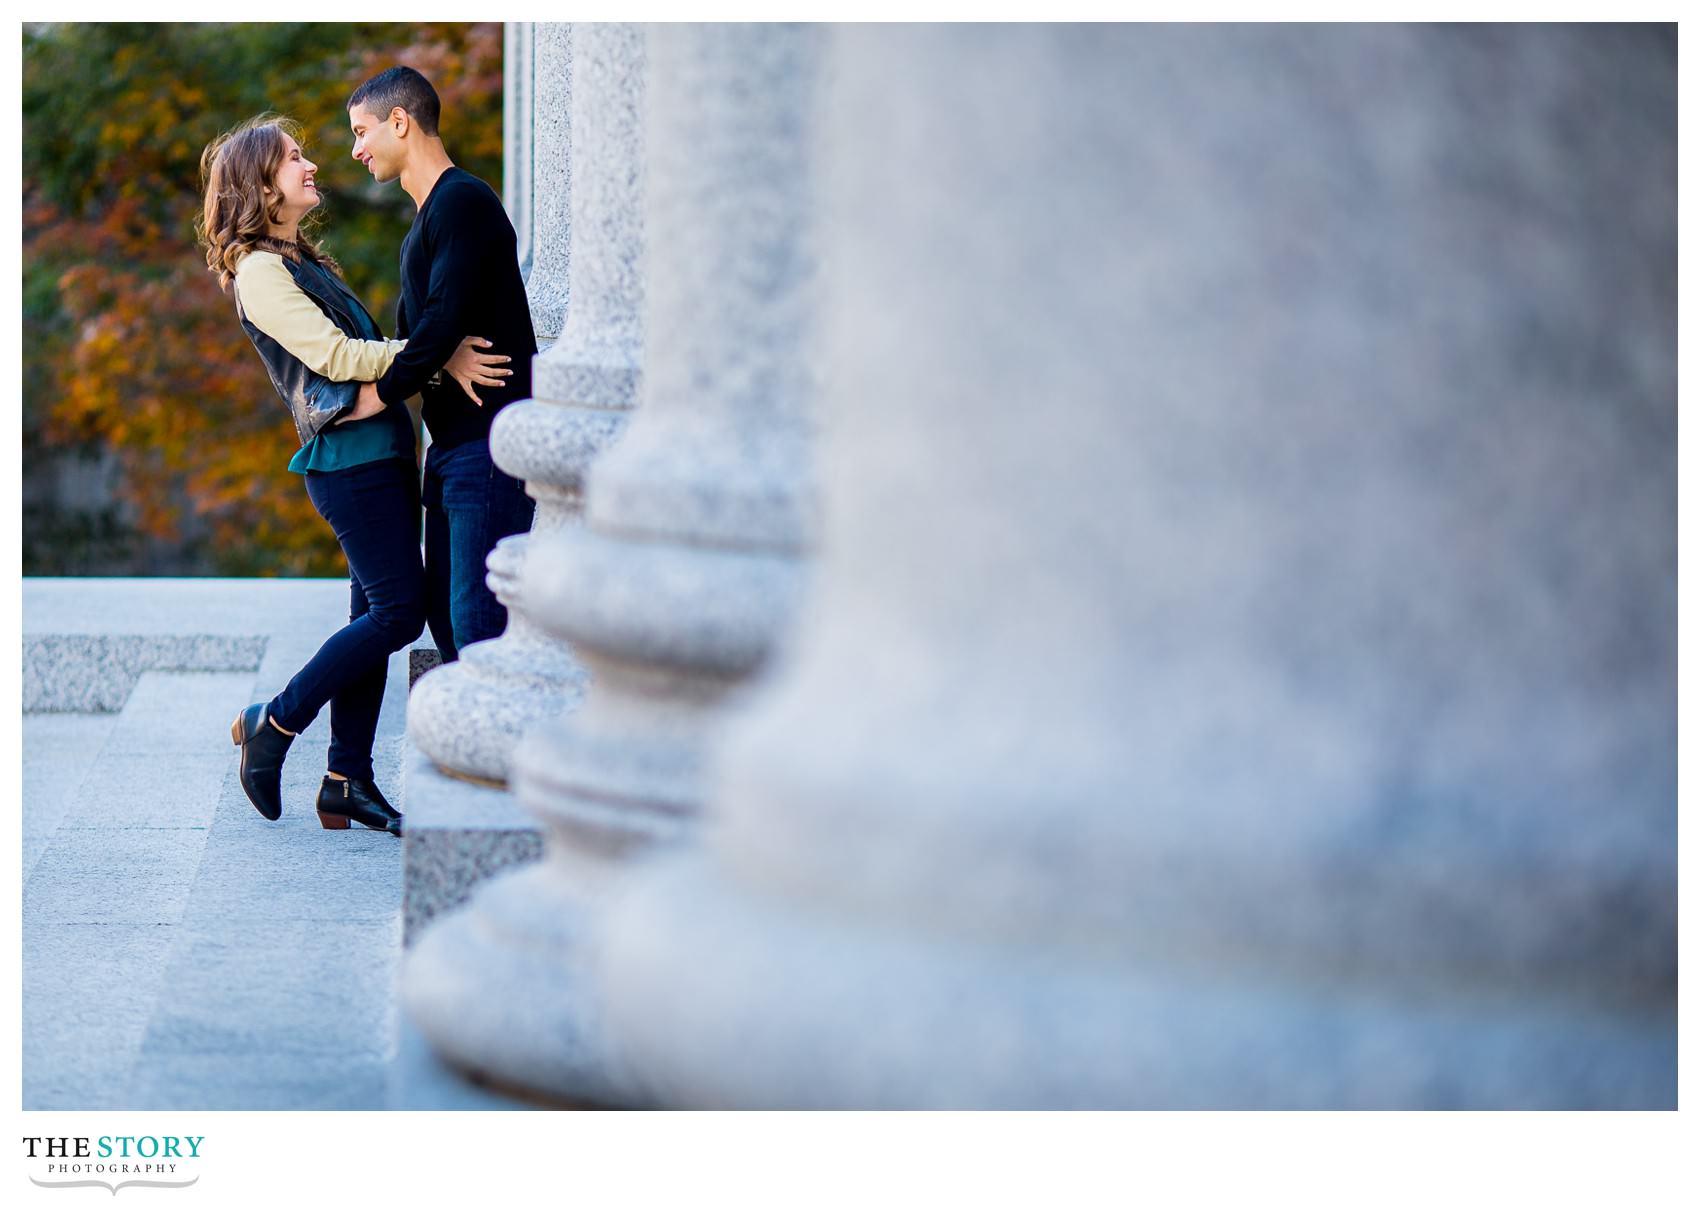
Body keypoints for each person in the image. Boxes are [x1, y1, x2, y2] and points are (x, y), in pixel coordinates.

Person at [198, 114, 509, 834]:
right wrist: (435, 355)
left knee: (369, 613)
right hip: (350, 464)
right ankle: (275, 722)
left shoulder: (297, 260)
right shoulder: (260, 272)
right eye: (294, 158)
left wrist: (417, 362)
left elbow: (356, 353)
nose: (312, 165)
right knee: (398, 614)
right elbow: (337, 359)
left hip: (380, 453)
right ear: (259, 184)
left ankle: (346, 780)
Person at [347, 66, 538, 664]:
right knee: (448, 624)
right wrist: (441, 351)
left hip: (487, 447)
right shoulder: (421, 227)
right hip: (450, 450)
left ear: (399, 123)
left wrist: (374, 398)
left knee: (476, 626)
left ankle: (495, 756)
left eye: (361, 130)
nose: (355, 149)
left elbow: (440, 318)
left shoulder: (463, 201)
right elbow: (419, 332)